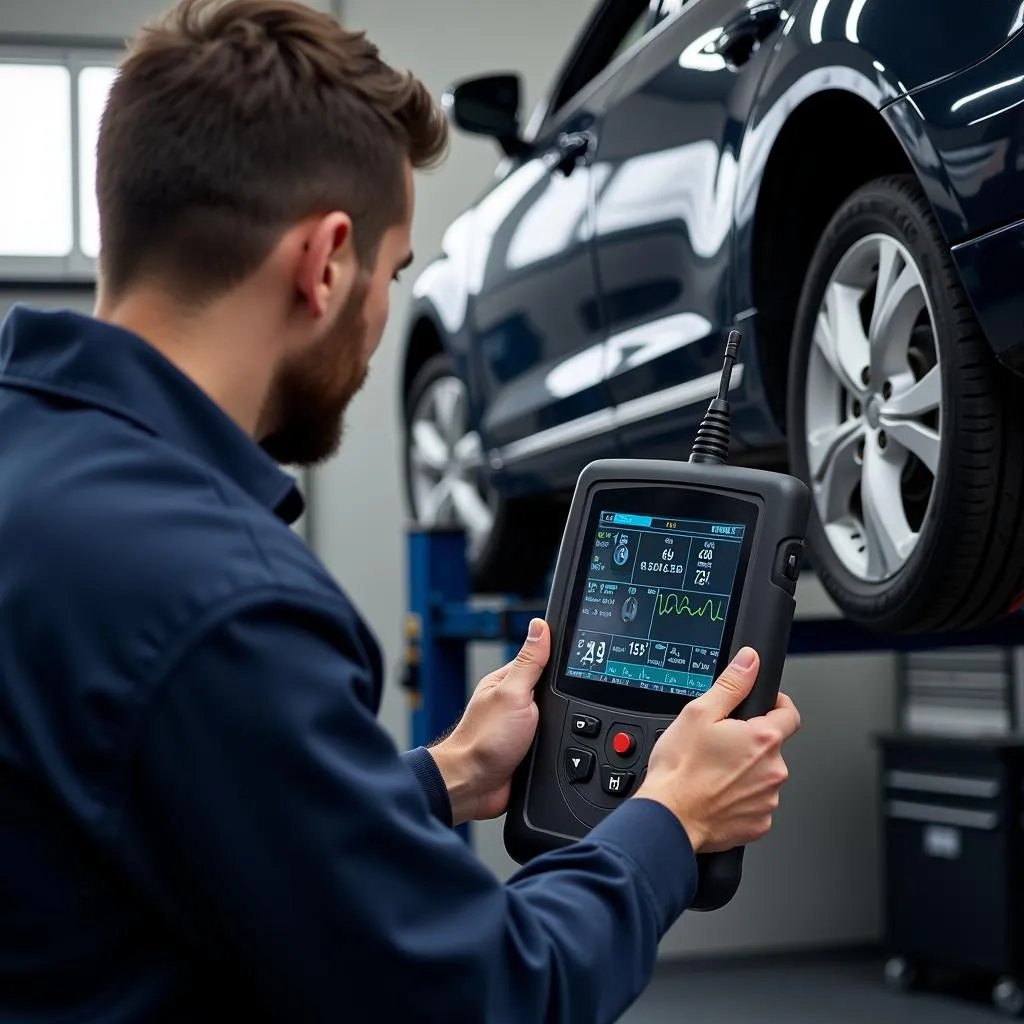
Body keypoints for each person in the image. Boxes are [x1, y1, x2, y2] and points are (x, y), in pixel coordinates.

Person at [0, 1, 802, 1020]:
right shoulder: (220, 599)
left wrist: (452, 771)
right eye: (391, 274)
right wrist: (668, 821)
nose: (383, 318)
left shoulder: (38, 476)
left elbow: (170, 817)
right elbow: (491, 993)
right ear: (325, 260)